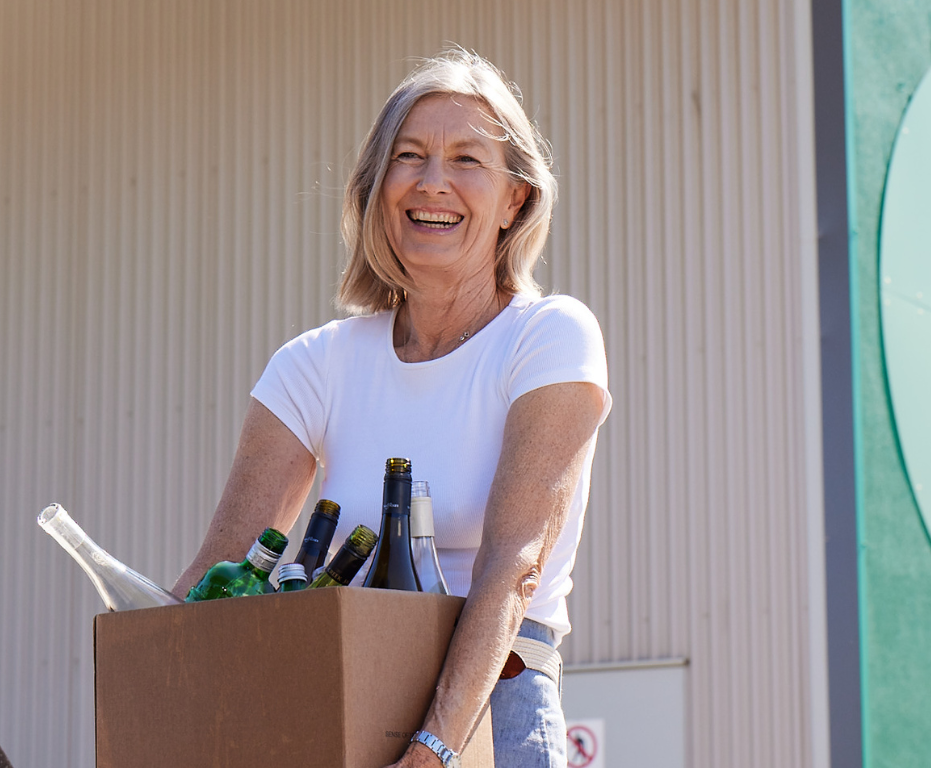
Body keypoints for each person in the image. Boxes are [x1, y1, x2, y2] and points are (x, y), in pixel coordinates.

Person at [171, 49, 610, 768]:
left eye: (467, 159)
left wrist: (432, 748)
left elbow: (513, 563)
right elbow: (217, 577)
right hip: (328, 708)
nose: (432, 182)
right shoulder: (314, 364)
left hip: (491, 710)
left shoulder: (550, 338)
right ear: (377, 189)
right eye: (409, 156)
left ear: (516, 201)